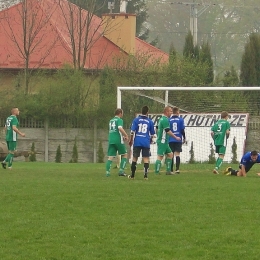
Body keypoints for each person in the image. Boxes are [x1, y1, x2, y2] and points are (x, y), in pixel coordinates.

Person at [128, 105, 155, 180]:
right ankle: (145, 176)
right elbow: (152, 134)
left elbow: (132, 131)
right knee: (146, 159)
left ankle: (132, 176)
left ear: (141, 111)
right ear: (147, 112)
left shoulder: (136, 120)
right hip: (145, 141)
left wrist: (131, 140)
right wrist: (150, 140)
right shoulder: (150, 121)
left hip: (137, 141)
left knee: (135, 158)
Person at [155, 106, 181, 175]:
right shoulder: (165, 120)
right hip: (162, 141)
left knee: (170, 154)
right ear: (166, 112)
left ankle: (168, 171)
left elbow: (157, 128)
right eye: (170, 111)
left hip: (165, 142)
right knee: (160, 157)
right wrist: (176, 137)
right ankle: (157, 172)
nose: (171, 113)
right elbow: (168, 131)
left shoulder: (161, 119)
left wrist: (158, 135)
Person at [105, 108, 128, 177]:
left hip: (111, 140)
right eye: (122, 113)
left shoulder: (111, 121)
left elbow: (115, 131)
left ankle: (107, 173)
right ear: (120, 113)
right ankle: (121, 171)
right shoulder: (119, 120)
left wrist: (122, 136)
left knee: (110, 157)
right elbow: (120, 128)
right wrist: (126, 135)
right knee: (125, 154)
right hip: (118, 140)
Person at [169, 106, 186, 174]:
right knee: (177, 154)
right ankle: (177, 169)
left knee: (171, 155)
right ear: (177, 112)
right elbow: (182, 130)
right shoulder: (181, 119)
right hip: (178, 139)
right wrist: (184, 137)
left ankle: (171, 169)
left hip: (170, 139)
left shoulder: (169, 120)